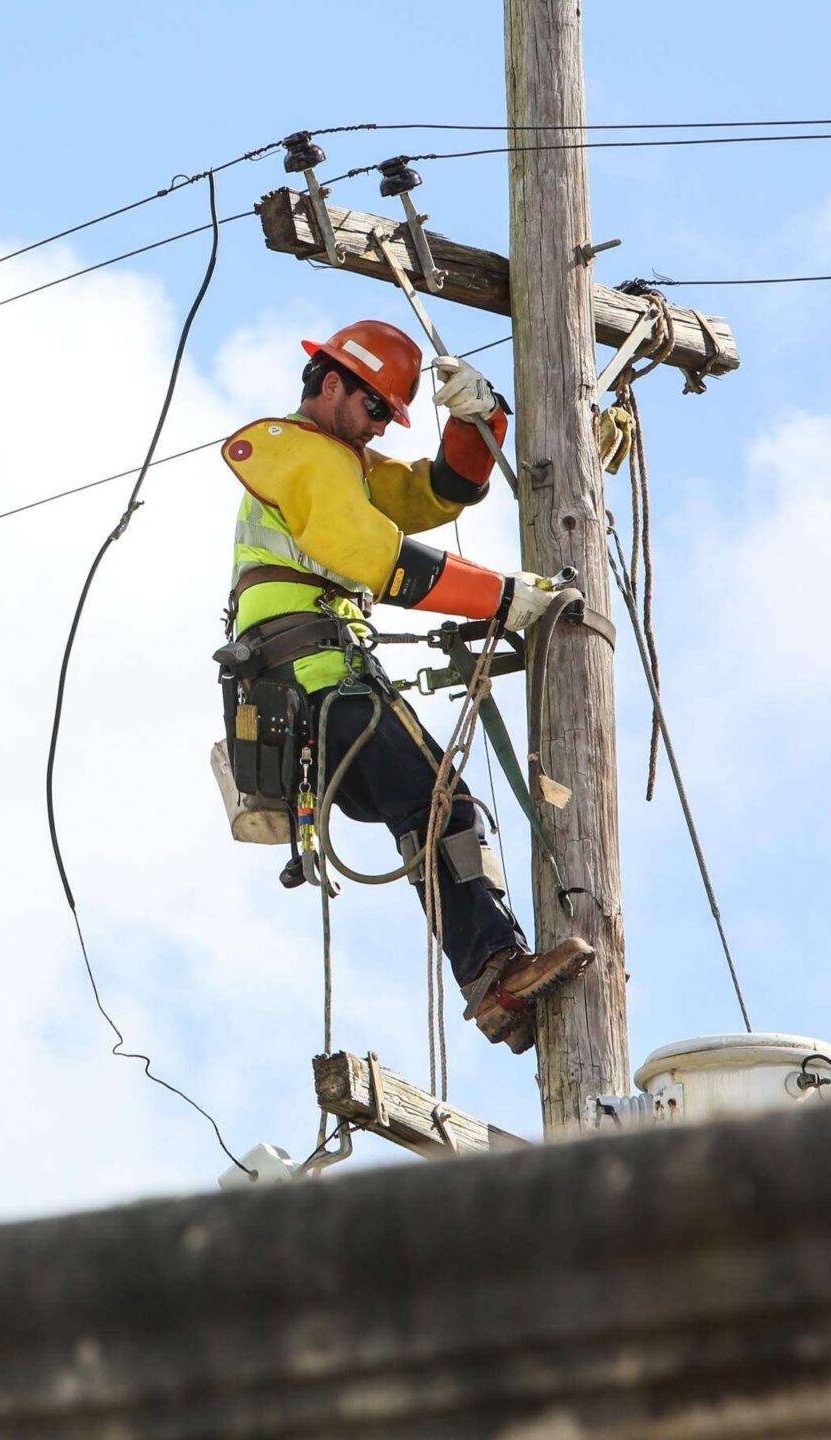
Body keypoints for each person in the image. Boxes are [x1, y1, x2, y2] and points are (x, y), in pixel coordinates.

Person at [218, 319, 589, 1052]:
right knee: (441, 803)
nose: (381, 425)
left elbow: (436, 493)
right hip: (316, 677)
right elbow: (375, 557)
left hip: (312, 686)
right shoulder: (300, 454)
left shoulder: (342, 463)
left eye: (390, 415)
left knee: (432, 809)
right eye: (375, 408)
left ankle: (494, 981)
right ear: (332, 384)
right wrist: (503, 597)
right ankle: (494, 972)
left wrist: (481, 421)